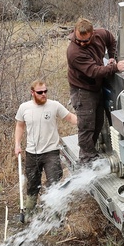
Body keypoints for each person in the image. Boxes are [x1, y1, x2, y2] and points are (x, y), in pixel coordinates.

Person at [66, 18, 124, 162]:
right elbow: (93, 71)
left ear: (93, 34)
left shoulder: (101, 34)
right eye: (78, 40)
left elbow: (112, 41)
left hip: (96, 87)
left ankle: (92, 152)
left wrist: (112, 57)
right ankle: (87, 159)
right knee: (87, 126)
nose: (82, 43)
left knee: (98, 122)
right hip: (82, 90)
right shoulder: (74, 52)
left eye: (85, 41)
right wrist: (115, 67)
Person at [14, 79, 77, 218]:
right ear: (32, 93)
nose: (44, 94)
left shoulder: (54, 105)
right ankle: (29, 211)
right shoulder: (24, 108)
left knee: (54, 182)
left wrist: (86, 124)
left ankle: (55, 215)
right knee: (32, 185)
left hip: (51, 152)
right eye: (40, 92)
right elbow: (19, 126)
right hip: (32, 153)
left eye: (45, 91)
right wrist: (17, 144)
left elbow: (70, 117)